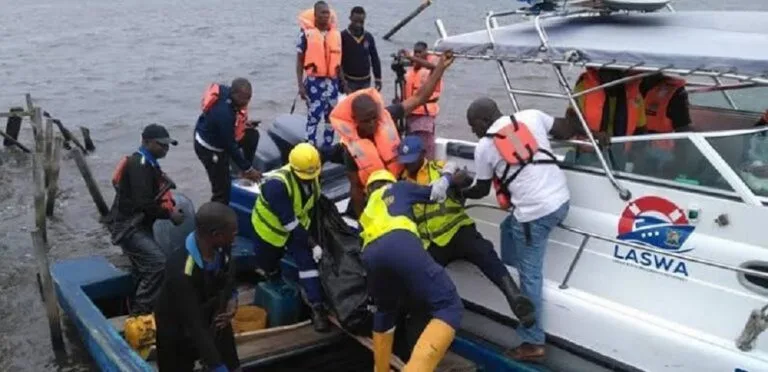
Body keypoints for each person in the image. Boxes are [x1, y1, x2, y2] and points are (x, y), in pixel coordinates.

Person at [459, 98, 581, 362]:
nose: (472, 132)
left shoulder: (484, 146)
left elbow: (480, 189)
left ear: (482, 121)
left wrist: (457, 190)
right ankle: (513, 265)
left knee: (531, 275)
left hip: (534, 215)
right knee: (508, 227)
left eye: (472, 126)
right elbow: (565, 129)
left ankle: (533, 341)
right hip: (561, 200)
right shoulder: (531, 115)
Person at [397, 135, 536, 328]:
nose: (408, 165)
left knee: (484, 251)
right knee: (419, 279)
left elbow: (462, 177)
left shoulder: (440, 168)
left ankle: (514, 296)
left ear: (423, 154)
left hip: (458, 231)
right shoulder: (400, 184)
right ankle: (417, 322)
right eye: (405, 162)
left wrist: (454, 182)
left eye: (412, 160)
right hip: (432, 243)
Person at [329, 50, 455, 218]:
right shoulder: (350, 149)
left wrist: (440, 68)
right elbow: (356, 189)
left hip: (401, 188)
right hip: (376, 199)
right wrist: (363, 222)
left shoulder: (387, 116)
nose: (373, 123)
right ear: (355, 120)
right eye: (366, 120)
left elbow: (419, 98)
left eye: (375, 117)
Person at [360, 169, 463, 372]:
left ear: (368, 190)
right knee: (449, 306)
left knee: (385, 311)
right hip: (401, 243)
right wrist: (451, 177)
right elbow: (436, 192)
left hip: (370, 256)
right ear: (389, 181)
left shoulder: (367, 211)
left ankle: (380, 369)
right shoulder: (399, 187)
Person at [250, 143, 329, 332]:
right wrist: (314, 244)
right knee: (268, 262)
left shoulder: (313, 166)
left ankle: (317, 308)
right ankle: (273, 277)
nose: (310, 181)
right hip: (269, 230)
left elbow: (334, 151)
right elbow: (290, 223)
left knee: (308, 264)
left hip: (298, 227)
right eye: (306, 178)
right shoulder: (276, 186)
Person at [108, 124, 185, 317]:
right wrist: (170, 215)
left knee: (142, 269)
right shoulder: (139, 165)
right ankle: (140, 313)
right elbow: (143, 203)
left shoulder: (150, 164)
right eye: (161, 145)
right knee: (158, 263)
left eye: (168, 146)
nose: (165, 149)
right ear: (147, 142)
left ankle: (138, 306)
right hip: (129, 227)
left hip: (140, 224)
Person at [154, 202, 240, 372]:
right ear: (217, 235)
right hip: (178, 327)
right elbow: (194, 325)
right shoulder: (181, 271)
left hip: (213, 313)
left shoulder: (223, 248)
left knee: (231, 363)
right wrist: (217, 366)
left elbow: (229, 276)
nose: (236, 236)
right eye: (233, 233)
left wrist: (233, 299)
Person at [195, 78, 262, 204]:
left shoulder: (228, 95)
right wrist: (249, 169)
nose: (247, 102)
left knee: (251, 136)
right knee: (222, 190)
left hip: (219, 132)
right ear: (235, 94)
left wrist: (245, 123)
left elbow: (234, 121)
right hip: (209, 147)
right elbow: (230, 146)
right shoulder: (223, 114)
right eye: (244, 99)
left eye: (249, 97)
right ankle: (216, 214)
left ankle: (244, 172)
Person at [297, 1, 342, 149]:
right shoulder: (306, 34)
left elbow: (338, 62)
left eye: (327, 12)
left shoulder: (335, 34)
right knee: (313, 116)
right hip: (314, 82)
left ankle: (327, 147)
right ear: (315, 15)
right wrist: (300, 86)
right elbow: (299, 61)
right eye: (322, 13)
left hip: (332, 83)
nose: (326, 15)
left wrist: (343, 84)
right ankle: (310, 146)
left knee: (331, 117)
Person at [568, 67, 647, 138]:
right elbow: (571, 121)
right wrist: (594, 135)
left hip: (620, 151)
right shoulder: (583, 89)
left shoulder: (635, 97)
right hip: (586, 149)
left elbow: (640, 129)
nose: (611, 77)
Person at [400, 41, 443, 159]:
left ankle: (428, 167)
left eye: (420, 52)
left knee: (425, 147)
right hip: (410, 114)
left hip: (424, 115)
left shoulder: (432, 70)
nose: (417, 55)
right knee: (411, 147)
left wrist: (411, 57)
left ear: (426, 53)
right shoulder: (410, 71)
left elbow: (434, 67)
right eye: (416, 52)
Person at [340, 6, 382, 93]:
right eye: (355, 21)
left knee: (364, 105)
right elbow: (338, 62)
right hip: (349, 81)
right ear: (350, 18)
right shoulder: (342, 36)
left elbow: (375, 59)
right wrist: (343, 83)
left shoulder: (368, 37)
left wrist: (378, 79)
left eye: (361, 22)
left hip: (365, 81)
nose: (358, 24)